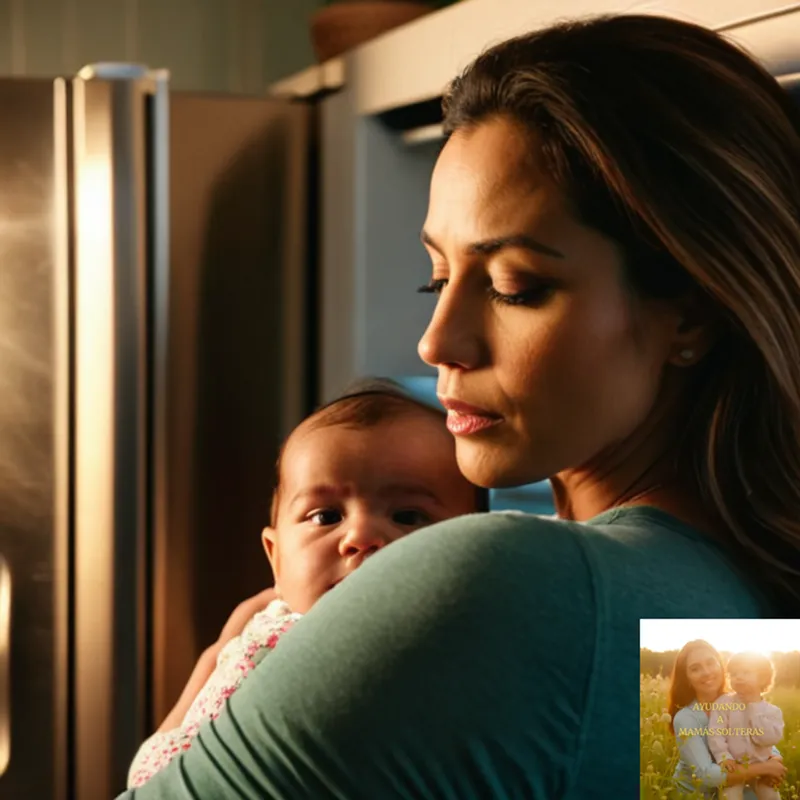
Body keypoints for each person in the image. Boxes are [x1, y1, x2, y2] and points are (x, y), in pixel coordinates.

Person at [116, 13, 800, 799]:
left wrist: (178, 732)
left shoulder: (498, 588)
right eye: (437, 279)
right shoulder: (725, 604)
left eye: (517, 287)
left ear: (692, 313)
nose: (437, 342)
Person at [126, 379, 485, 787]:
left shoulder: (448, 648)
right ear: (275, 557)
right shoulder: (257, 625)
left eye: (408, 515)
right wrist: (218, 652)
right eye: (325, 516)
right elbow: (156, 765)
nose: (361, 536)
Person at [669, 641, 786, 798]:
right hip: (699, 793)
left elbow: (760, 740)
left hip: (740, 781)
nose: (706, 672)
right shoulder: (686, 718)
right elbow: (706, 775)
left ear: (721, 666)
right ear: (687, 678)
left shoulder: (739, 700)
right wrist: (765, 768)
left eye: (711, 663)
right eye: (695, 669)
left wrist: (775, 759)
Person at [707, 652, 785, 800]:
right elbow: (716, 733)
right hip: (735, 767)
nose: (738, 677)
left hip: (762, 768)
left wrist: (754, 706)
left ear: (762, 678)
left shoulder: (772, 712)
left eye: (746, 672)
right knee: (729, 796)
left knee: (771, 796)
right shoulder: (723, 704)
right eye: (734, 674)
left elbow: (768, 739)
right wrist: (724, 757)